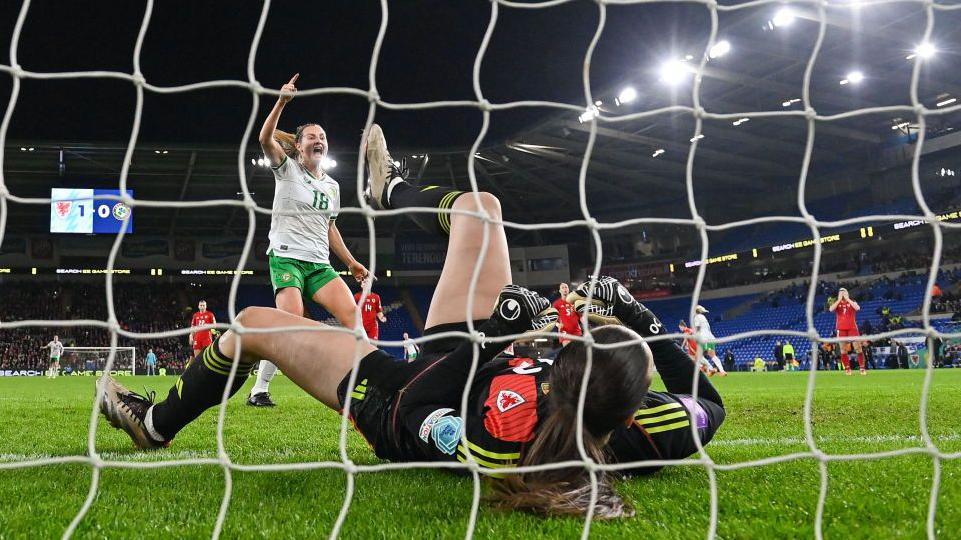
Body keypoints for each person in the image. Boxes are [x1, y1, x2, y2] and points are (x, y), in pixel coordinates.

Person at [101, 126, 644, 517]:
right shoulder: (641, 417)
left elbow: (417, 405)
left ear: (569, 364)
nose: (585, 322)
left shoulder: (498, 435)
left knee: (251, 324)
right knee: (481, 208)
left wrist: (504, 340)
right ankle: (389, 188)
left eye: (589, 332)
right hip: (466, 361)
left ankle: (154, 425)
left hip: (404, 401)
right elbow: (706, 406)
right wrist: (637, 315)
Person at [248, 74, 371, 408]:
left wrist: (350, 262)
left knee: (354, 319)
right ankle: (259, 389)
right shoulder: (286, 169)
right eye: (312, 137)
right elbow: (264, 137)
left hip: (319, 264)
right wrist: (282, 101)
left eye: (323, 136)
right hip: (286, 257)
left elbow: (330, 227)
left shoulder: (332, 186)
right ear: (299, 146)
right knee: (291, 323)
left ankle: (369, 382)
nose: (319, 140)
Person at [830, 287, 866, 375]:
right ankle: (847, 369)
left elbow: (857, 308)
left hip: (852, 328)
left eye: (844, 292)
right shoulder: (837, 304)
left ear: (847, 293)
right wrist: (838, 300)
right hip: (841, 329)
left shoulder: (852, 302)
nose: (842, 294)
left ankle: (862, 368)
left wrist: (847, 299)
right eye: (840, 293)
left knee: (858, 348)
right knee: (843, 349)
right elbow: (831, 309)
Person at [693, 305, 726, 376]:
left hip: (703, 338)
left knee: (697, 357)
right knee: (713, 355)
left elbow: (698, 329)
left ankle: (709, 369)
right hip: (710, 338)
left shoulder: (696, 317)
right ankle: (722, 371)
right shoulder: (704, 318)